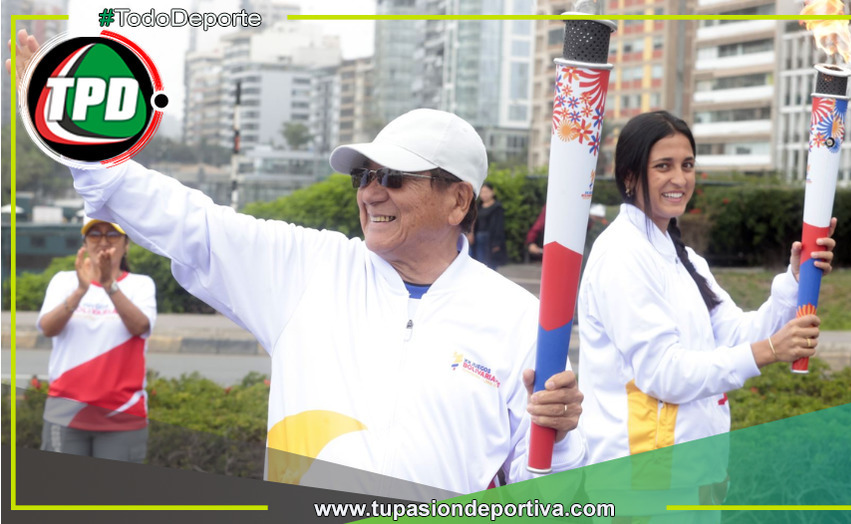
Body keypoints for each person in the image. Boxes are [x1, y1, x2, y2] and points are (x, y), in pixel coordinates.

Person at [10, 32, 584, 494]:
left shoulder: (517, 319)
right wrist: (76, 138)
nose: (371, 192)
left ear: (458, 200)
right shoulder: (309, 269)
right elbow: (189, 223)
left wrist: (558, 438)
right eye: (364, 175)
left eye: (392, 177)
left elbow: (541, 488)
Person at [578, 110, 837, 466]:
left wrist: (796, 279)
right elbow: (664, 373)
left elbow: (736, 334)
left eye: (687, 165)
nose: (680, 178)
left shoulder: (684, 259)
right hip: (641, 476)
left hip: (692, 471)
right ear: (629, 176)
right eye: (663, 166)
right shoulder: (622, 255)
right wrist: (768, 351)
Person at [36, 217, 157, 463]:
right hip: (65, 415)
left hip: (122, 417)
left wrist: (108, 284)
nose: (103, 241)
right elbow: (47, 328)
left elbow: (140, 327)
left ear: (126, 245)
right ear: (85, 244)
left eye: (112, 235)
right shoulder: (64, 281)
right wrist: (81, 291)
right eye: (95, 235)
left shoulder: (141, 285)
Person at [473, 182, 508, 269]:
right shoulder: (478, 207)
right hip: (478, 239)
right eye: (482, 192)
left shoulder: (497, 207)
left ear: (492, 192)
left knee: (490, 264)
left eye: (486, 192)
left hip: (490, 239)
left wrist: (496, 243)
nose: (484, 194)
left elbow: (498, 226)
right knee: (479, 263)